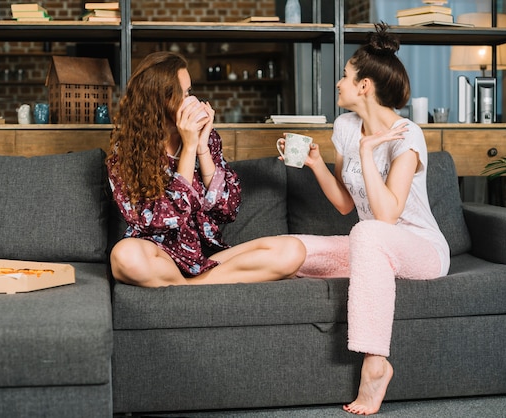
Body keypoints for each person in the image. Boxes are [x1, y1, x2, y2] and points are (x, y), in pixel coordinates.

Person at [279, 23, 450, 415]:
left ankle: (375, 364)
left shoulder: (407, 134)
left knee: (368, 232)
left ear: (364, 86)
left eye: (344, 76)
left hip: (420, 249)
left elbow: (387, 215)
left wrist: (369, 151)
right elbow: (343, 204)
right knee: (300, 251)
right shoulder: (344, 127)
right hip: (371, 244)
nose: (338, 83)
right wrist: (316, 163)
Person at [106, 51, 305, 287]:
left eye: (190, 91)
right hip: (157, 256)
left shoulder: (206, 140)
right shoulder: (126, 153)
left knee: (293, 250)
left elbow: (227, 210)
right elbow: (162, 220)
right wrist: (188, 148)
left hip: (204, 257)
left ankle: (188, 286)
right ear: (161, 100)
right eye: (184, 94)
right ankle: (199, 283)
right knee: (124, 256)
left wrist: (202, 148)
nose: (192, 100)